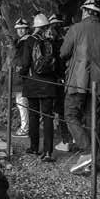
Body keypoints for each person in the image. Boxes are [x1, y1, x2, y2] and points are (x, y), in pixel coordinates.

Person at [60, 0, 100, 174]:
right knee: (92, 119)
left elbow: (63, 52)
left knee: (71, 114)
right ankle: (91, 160)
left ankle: (87, 151)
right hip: (98, 82)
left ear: (86, 11)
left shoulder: (76, 28)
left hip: (77, 80)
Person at [20, 13, 57, 161]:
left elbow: (25, 63)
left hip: (33, 83)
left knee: (33, 115)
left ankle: (34, 147)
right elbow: (56, 63)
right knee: (48, 117)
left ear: (35, 27)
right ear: (46, 26)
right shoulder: (51, 41)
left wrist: (22, 74)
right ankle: (48, 152)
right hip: (49, 84)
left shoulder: (29, 40)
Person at [48, 14, 73, 152]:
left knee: (62, 110)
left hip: (58, 79)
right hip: (71, 78)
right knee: (71, 109)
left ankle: (66, 140)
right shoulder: (69, 40)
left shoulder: (53, 43)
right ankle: (73, 138)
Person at [12, 18, 31, 136]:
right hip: (21, 74)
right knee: (21, 102)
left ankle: (25, 128)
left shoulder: (25, 42)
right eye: (18, 29)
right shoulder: (20, 41)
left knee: (22, 101)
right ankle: (26, 126)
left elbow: (24, 60)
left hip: (23, 75)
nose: (20, 31)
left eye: (22, 28)